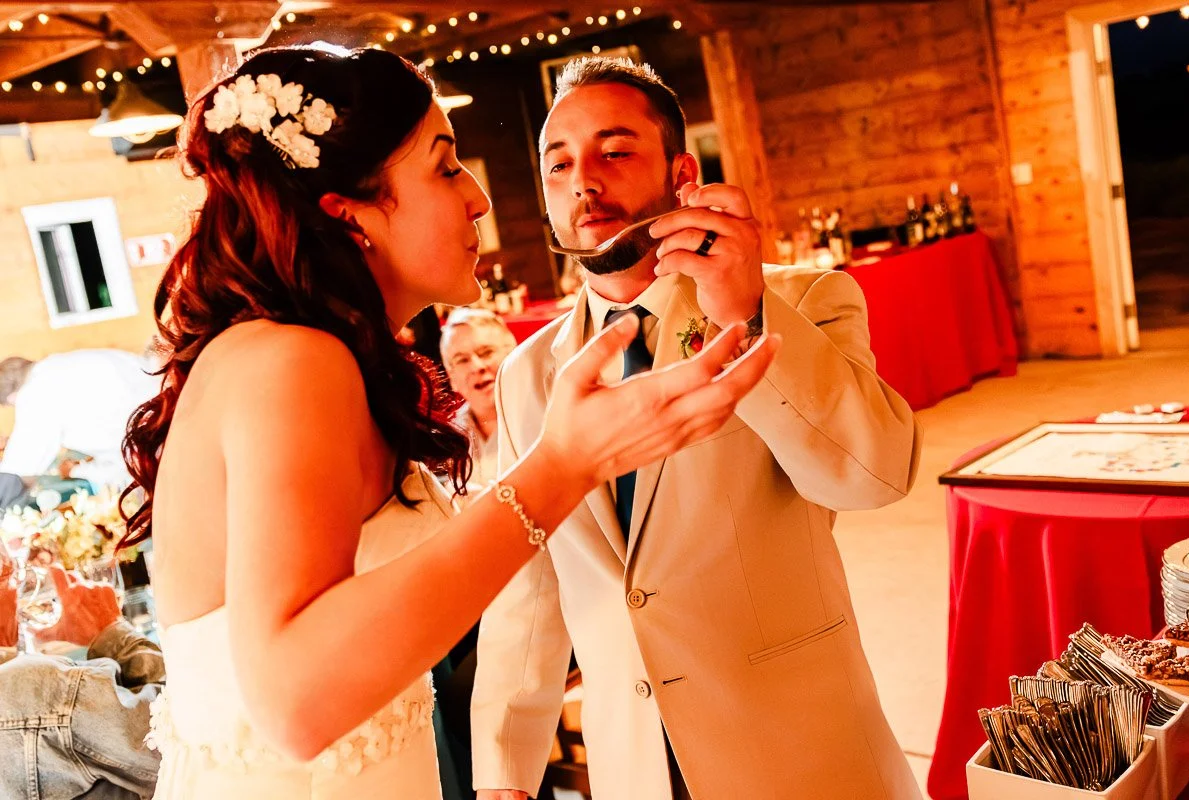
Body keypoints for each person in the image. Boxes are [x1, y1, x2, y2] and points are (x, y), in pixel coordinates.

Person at [122, 46, 777, 800]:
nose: (478, 197)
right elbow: (296, 704)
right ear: (350, 213)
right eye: (444, 166)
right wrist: (560, 468)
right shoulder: (291, 361)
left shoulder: (316, 356)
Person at [471, 57, 923, 800]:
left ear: (682, 172)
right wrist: (502, 771)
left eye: (615, 152)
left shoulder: (804, 299)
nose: (583, 181)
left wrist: (744, 315)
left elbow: (873, 474)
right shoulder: (527, 376)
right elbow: (533, 587)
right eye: (559, 164)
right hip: (633, 767)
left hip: (799, 751)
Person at [0, 559, 165, 799]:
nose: (20, 582)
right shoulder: (23, 691)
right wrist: (110, 629)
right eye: (9, 571)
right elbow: (181, 737)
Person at [0, 350, 158, 492]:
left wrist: (77, 471)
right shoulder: (58, 363)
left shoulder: (34, 393)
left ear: (11, 398)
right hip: (165, 408)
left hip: (155, 443)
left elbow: (19, 467)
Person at [439, 307, 519, 494]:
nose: (477, 367)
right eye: (462, 360)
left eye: (486, 352)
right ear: (452, 378)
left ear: (515, 354)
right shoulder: (450, 437)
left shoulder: (544, 417)